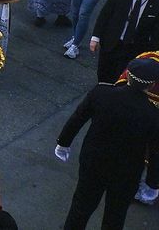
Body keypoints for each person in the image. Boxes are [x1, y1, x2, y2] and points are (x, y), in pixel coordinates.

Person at [55, 56, 159, 230]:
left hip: (93, 163)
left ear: (127, 76)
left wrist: (63, 143)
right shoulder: (153, 116)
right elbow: (156, 152)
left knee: (80, 209)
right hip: (126, 174)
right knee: (115, 218)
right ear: (151, 85)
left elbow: (77, 119)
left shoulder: (101, 93)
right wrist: (152, 183)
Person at [90, 0, 159, 83]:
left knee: (120, 79)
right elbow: (104, 15)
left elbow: (155, 33)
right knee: (103, 75)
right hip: (111, 43)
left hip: (133, 50)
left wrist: (149, 55)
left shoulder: (155, 6)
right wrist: (95, 38)